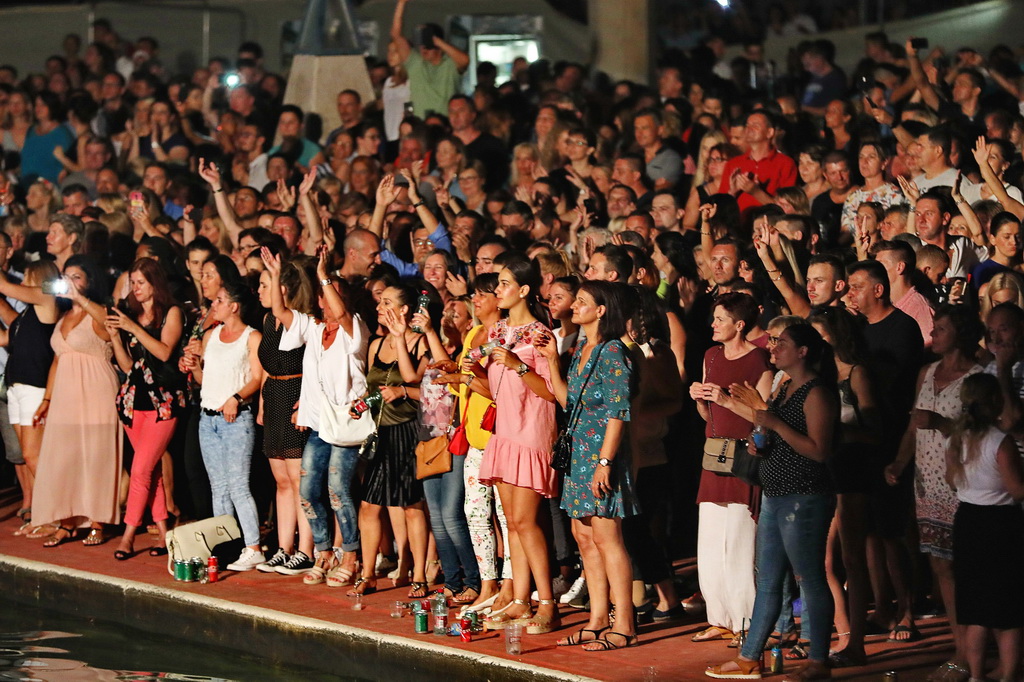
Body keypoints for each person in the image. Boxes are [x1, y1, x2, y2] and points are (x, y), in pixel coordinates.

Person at [707, 324, 837, 682]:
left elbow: (819, 449)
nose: (774, 346)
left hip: (805, 496)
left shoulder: (817, 393)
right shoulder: (782, 386)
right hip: (775, 492)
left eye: (782, 342)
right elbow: (769, 426)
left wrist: (774, 425)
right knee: (766, 580)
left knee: (809, 578)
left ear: (804, 351)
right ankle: (750, 657)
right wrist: (759, 439)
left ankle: (818, 660)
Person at [538, 280, 639, 651]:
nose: (573, 306)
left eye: (581, 302)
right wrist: (551, 361)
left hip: (602, 457)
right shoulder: (582, 347)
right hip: (579, 454)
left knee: (608, 538)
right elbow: (569, 402)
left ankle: (624, 623)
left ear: (601, 311)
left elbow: (618, 413)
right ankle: (597, 619)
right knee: (584, 537)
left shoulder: (613, 352)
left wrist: (605, 462)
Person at [884, 306, 983, 665]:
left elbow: (983, 434)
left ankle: (977, 644)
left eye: (941, 329)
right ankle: (961, 649)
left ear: (961, 334)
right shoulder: (926, 372)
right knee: (941, 565)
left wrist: (941, 423)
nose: (934, 335)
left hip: (964, 482)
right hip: (928, 482)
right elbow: (914, 424)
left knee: (969, 565)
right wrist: (899, 461)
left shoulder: (977, 376)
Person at [265, 248, 369, 587]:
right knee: (309, 490)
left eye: (333, 292)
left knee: (338, 487)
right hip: (320, 424)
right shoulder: (312, 327)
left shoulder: (355, 329)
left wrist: (324, 275)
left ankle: (351, 554)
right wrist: (278, 274)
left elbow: (342, 311)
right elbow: (281, 313)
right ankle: (324, 550)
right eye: (325, 293)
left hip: (347, 426)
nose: (328, 297)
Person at [469, 256, 560, 635]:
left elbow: (553, 392)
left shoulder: (540, 333)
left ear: (523, 290)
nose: (498, 291)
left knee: (525, 521)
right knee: (513, 524)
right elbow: (492, 386)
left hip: (531, 431)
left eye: (505, 284)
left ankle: (547, 603)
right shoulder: (497, 330)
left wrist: (519, 365)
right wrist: (463, 372)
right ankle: (520, 599)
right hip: (504, 431)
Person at [688, 292, 773, 644]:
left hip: (744, 454)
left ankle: (747, 620)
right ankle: (719, 616)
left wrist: (725, 400)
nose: (713, 325)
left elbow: (764, 418)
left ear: (739, 325)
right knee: (709, 540)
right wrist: (701, 400)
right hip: (714, 454)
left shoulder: (759, 360)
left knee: (739, 540)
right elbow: (709, 415)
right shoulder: (711, 355)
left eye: (720, 319)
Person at [29, 255, 121, 547]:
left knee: (96, 457)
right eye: (65, 276)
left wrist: (80, 298)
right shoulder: (62, 316)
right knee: (64, 458)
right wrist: (46, 399)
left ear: (89, 281)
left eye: (77, 277)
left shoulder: (99, 311)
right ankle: (66, 522)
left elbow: (108, 327)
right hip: (65, 395)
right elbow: (58, 360)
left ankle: (97, 521)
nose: (69, 282)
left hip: (97, 390)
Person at [348, 283, 430, 599]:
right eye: (379, 303)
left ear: (405, 310)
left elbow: (412, 380)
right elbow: (374, 387)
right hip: (381, 433)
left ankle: (419, 574)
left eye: (387, 303)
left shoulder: (420, 342)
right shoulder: (375, 344)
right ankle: (368, 573)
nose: (380, 308)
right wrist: (362, 403)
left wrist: (400, 337)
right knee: (369, 506)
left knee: (411, 506)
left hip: (409, 432)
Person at [181, 279, 265, 571]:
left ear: (234, 306)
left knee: (239, 485)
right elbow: (208, 381)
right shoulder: (212, 335)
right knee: (219, 487)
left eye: (218, 300)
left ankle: (253, 546)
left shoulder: (251, 337)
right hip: (209, 418)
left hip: (235, 419)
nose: (213, 305)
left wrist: (237, 398)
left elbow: (256, 377)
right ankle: (226, 545)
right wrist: (193, 368)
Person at [946, 373, 1024, 682]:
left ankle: (976, 676)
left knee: (976, 608)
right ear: (995, 401)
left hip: (968, 521)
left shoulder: (956, 439)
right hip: (1000, 524)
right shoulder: (999, 441)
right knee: (1007, 609)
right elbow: (1017, 489)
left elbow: (954, 482)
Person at [108, 258, 186, 559]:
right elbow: (129, 366)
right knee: (148, 472)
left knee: (139, 470)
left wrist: (131, 327)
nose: (135, 288)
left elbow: (164, 351)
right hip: (133, 403)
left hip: (162, 404)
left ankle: (128, 535)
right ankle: (164, 533)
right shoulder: (134, 314)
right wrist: (117, 335)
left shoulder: (172, 313)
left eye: (140, 282)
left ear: (155, 283)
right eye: (132, 282)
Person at [414, 294, 482, 604]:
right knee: (437, 518)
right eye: (445, 313)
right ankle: (453, 582)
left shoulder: (466, 354)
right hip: (429, 439)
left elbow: (447, 370)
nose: (445, 319)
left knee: (453, 515)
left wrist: (429, 332)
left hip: (455, 439)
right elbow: (410, 378)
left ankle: (474, 580)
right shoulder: (431, 349)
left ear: (470, 324)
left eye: (455, 316)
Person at [252, 253, 316, 575]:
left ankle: (306, 549)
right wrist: (263, 402)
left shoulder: (300, 320)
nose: (259, 290)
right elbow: (266, 365)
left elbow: (309, 365)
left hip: (295, 395)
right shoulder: (267, 321)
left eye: (265, 284)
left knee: (297, 478)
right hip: (274, 395)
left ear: (284, 289)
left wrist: (276, 271)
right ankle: (283, 547)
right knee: (280, 480)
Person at [0, 260, 59, 537]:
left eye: (27, 275)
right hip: (16, 387)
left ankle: (55, 515)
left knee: (35, 456)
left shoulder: (47, 299)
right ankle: (40, 513)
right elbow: (7, 328)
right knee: (29, 456)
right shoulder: (27, 315)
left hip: (35, 386)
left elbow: (4, 286)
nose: (23, 280)